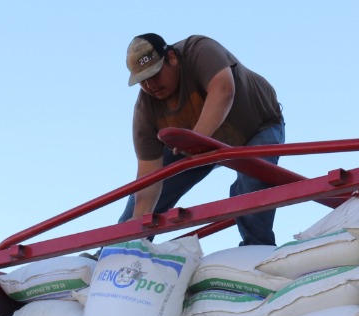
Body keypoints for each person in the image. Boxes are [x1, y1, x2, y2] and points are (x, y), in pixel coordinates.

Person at [119, 33, 286, 246]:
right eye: (143, 81)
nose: (150, 85)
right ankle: (116, 254)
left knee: (254, 178)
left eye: (154, 74)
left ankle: (257, 248)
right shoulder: (146, 111)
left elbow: (223, 90)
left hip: (255, 126)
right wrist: (137, 224)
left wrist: (196, 140)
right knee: (138, 208)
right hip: (193, 142)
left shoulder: (199, 50)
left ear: (172, 58)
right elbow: (148, 175)